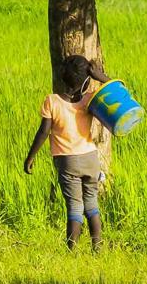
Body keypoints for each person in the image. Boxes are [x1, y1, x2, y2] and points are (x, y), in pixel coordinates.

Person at [23, 54, 114, 252]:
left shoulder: (52, 101)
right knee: (91, 202)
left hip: (67, 162)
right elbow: (117, 91)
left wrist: (30, 157)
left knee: (75, 205)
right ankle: (97, 247)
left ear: (63, 76)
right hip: (91, 159)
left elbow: (43, 132)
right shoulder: (90, 100)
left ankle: (71, 250)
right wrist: (99, 76)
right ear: (87, 79)